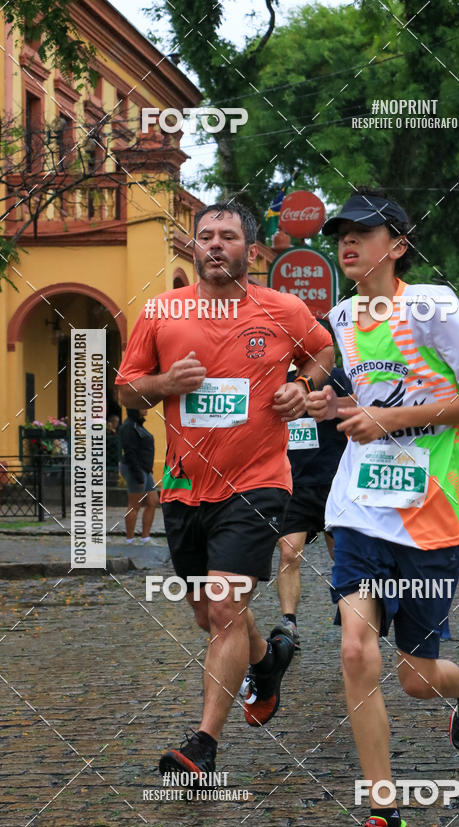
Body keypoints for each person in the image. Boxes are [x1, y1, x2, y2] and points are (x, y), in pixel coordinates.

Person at [306, 187, 459, 827]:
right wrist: (332, 404)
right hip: (360, 508)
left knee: (417, 680)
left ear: (399, 243)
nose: (347, 243)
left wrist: (386, 420)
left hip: (432, 513)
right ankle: (386, 822)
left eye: (362, 231)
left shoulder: (433, 307)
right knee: (357, 649)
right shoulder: (343, 315)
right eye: (339, 234)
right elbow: (372, 396)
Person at [115, 201, 334, 781]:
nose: (214, 245)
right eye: (205, 236)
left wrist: (301, 385)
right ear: (193, 247)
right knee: (206, 615)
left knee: (225, 605)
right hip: (186, 488)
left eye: (227, 236)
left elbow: (323, 353)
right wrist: (166, 382)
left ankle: (203, 743)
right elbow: (127, 393)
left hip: (258, 483)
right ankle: (267, 659)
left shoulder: (283, 308)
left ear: (250, 251)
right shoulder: (162, 312)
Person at [276, 365, 352, 650]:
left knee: (342, 555)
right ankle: (289, 623)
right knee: (288, 551)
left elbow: (355, 406)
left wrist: (331, 406)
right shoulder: (275, 374)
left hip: (333, 480)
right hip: (293, 483)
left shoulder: (333, 375)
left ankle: (351, 613)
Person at [119, 408, 159, 544]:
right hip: (135, 469)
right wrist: (137, 474)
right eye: (142, 406)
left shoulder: (138, 425)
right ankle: (130, 539)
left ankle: (145, 537)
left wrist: (148, 471)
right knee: (134, 505)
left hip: (145, 470)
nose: (146, 408)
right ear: (134, 409)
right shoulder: (128, 427)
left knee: (153, 501)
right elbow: (130, 452)